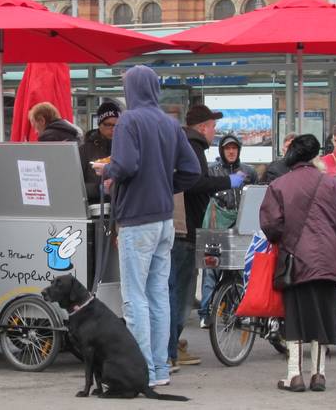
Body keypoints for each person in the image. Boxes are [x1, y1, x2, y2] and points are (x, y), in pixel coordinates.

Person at [102, 66, 201, 387]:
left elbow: (126, 165)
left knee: (135, 297)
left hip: (136, 219)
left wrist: (109, 174)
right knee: (159, 294)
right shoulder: (170, 123)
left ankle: (141, 369)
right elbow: (192, 171)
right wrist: (162, 184)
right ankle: (160, 368)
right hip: (164, 219)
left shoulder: (129, 120)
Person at [260, 134, 336, 392]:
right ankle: (319, 375)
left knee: (296, 318)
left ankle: (295, 375)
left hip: (295, 260)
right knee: (323, 316)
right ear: (314, 156)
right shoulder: (332, 184)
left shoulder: (279, 185)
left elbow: (270, 225)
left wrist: (287, 239)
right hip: (326, 261)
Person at [171, 107, 245, 367]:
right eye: (213, 127)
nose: (215, 132)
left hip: (184, 227)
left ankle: (171, 342)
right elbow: (195, 184)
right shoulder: (193, 147)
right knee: (181, 292)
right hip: (186, 229)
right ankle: (170, 350)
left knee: (178, 289)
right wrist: (228, 181)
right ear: (202, 127)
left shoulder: (186, 144)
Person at [199, 134, 258, 327]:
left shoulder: (249, 171)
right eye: (227, 148)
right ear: (221, 151)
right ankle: (206, 312)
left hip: (241, 227)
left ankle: (237, 310)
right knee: (211, 269)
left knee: (240, 270)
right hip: (215, 226)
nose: (231, 151)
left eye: (234, 148)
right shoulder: (211, 171)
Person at [79, 101, 120, 203]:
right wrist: (99, 188)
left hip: (121, 208)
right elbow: (75, 185)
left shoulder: (126, 147)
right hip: (95, 208)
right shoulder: (84, 150)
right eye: (108, 125)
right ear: (99, 124)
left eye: (117, 125)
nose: (113, 129)